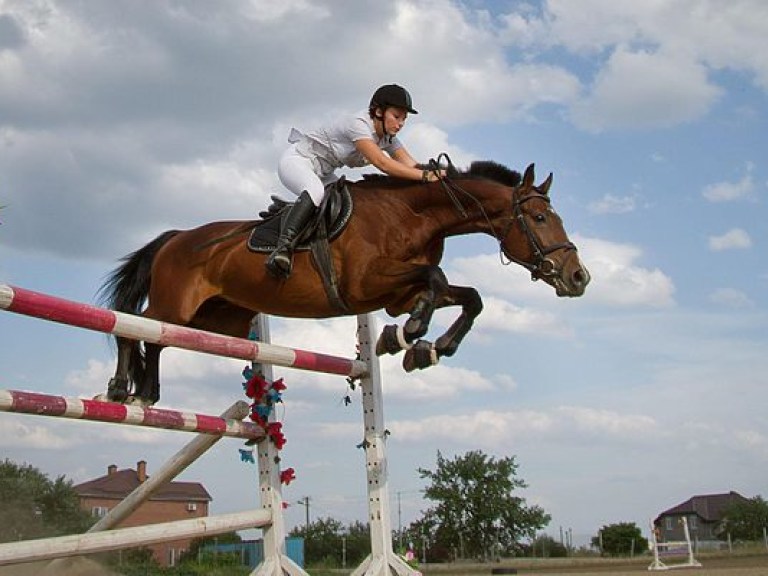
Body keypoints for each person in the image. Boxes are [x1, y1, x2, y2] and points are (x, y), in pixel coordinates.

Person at [265, 83, 442, 278]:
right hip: (299, 160)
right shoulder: (358, 125)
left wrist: (439, 176)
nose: (400, 124)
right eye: (397, 116)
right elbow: (382, 163)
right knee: (316, 192)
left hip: (324, 172)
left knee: (347, 201)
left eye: (404, 119)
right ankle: (282, 249)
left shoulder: (388, 138)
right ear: (379, 112)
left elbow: (410, 165)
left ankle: (307, 231)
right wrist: (425, 176)